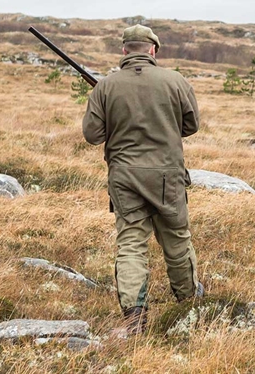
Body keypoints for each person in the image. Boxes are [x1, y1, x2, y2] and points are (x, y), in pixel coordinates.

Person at [83, 25, 203, 334]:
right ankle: (188, 303)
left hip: (124, 177)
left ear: (124, 50)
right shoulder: (176, 81)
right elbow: (191, 125)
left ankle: (134, 318)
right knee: (176, 241)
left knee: (131, 245)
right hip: (167, 176)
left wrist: (113, 115)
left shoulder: (106, 87)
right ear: (153, 50)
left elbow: (92, 135)